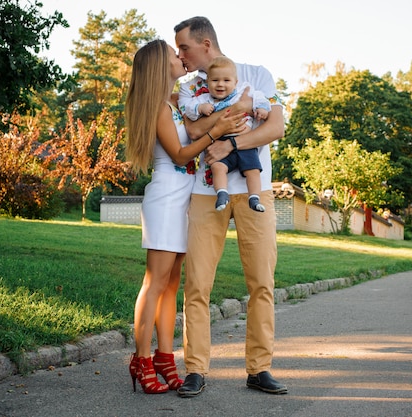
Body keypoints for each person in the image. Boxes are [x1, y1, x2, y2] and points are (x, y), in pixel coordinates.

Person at [174, 16, 288, 397]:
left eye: (184, 47)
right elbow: (190, 131)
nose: (180, 55)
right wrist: (230, 118)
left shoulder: (257, 75)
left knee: (262, 283)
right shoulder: (189, 87)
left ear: (206, 44)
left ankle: (260, 368)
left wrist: (230, 144)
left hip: (257, 192)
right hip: (206, 194)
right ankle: (195, 369)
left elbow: (275, 127)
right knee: (197, 284)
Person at [124, 38, 245, 395]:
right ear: (162, 67)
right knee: (155, 283)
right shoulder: (160, 108)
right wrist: (216, 132)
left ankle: (164, 357)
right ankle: (141, 359)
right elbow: (179, 155)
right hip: (165, 199)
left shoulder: (175, 104)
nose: (181, 59)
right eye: (174, 56)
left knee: (171, 286)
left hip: (182, 201)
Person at [181, 55, 270, 212]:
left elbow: (260, 98)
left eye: (226, 80)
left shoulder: (244, 91)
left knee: (253, 171)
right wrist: (200, 109)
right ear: (208, 83)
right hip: (219, 141)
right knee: (217, 168)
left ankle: (254, 198)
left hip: (244, 142)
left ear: (235, 82)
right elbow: (189, 109)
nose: (220, 84)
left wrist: (262, 108)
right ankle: (222, 193)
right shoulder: (204, 99)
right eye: (215, 81)